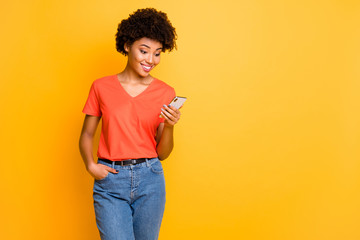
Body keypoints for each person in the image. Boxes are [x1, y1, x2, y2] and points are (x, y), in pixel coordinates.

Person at [78, 8, 182, 240]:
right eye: (144, 51)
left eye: (157, 53)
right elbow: (86, 134)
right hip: (111, 180)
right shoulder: (101, 87)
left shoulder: (165, 92)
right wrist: (90, 165)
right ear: (127, 46)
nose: (150, 60)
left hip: (150, 179)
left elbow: (163, 154)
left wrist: (171, 125)